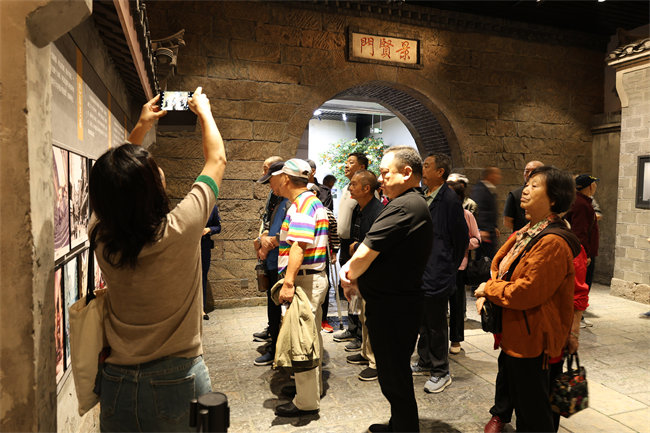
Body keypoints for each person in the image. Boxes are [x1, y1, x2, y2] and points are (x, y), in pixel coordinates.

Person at [89, 87, 226, 432]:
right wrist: (204, 111)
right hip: (178, 379)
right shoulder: (181, 228)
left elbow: (111, 182)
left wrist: (140, 128)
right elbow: (217, 160)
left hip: (117, 380)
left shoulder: (101, 238)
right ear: (153, 189)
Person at [475, 166, 580, 433]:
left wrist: (489, 289)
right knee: (527, 406)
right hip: (519, 332)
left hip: (535, 340)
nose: (525, 190)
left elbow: (526, 292)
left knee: (534, 415)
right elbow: (503, 270)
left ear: (554, 198)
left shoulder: (552, 241)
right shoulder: (530, 231)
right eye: (527, 184)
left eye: (535, 186)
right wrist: (492, 292)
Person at [340, 146, 433, 433]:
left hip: (395, 307)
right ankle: (400, 424)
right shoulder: (407, 203)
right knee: (394, 374)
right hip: (393, 304)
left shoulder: (406, 205)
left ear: (407, 173)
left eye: (384, 173)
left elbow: (364, 253)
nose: (380, 179)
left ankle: (404, 428)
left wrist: (348, 275)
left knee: (394, 375)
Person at [271, 158, 330, 417]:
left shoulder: (303, 205)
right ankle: (309, 391)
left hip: (304, 280)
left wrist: (288, 282)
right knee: (310, 336)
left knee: (302, 341)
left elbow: (299, 246)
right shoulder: (310, 202)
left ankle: (306, 402)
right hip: (310, 278)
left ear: (286, 178)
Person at [411, 154, 468, 394]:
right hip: (423, 269)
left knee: (436, 324)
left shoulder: (449, 199)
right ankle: (425, 360)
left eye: (426, 166)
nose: (422, 169)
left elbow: (461, 238)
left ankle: (441, 371)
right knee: (424, 320)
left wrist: (447, 266)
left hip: (438, 270)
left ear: (440, 172)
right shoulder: (425, 195)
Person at [344, 170, 385, 381]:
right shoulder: (359, 209)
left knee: (372, 318)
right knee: (362, 315)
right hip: (361, 271)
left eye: (353, 184)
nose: (349, 187)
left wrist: (356, 247)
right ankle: (365, 352)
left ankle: (376, 361)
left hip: (374, 273)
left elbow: (377, 244)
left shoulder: (378, 211)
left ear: (366, 188)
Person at [253, 161, 289, 366]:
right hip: (275, 263)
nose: (269, 186)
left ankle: (278, 350)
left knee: (279, 311)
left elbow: (289, 236)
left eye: (271, 181)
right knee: (274, 310)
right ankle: (275, 347)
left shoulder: (293, 203)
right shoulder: (281, 201)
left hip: (283, 266)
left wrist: (267, 243)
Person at [333, 152, 369, 351]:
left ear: (362, 167)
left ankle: (359, 332)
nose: (346, 165)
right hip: (345, 243)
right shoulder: (348, 187)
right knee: (348, 287)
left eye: (351, 162)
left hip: (356, 244)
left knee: (356, 288)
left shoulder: (364, 189)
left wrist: (357, 243)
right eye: (346, 162)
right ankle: (352, 326)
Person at [447, 180, 481, 355]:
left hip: (459, 266)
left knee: (457, 305)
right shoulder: (437, 213)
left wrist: (462, 243)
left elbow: (477, 239)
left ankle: (456, 338)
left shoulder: (467, 215)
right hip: (439, 266)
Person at [503, 160, 544, 233]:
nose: (529, 174)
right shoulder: (515, 194)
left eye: (534, 171)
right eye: (527, 171)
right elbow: (507, 221)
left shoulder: (549, 193)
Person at [470, 166, 502, 259]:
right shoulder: (480, 190)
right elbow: (479, 210)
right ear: (490, 176)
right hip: (484, 233)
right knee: (484, 260)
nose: (499, 177)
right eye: (497, 174)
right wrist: (482, 229)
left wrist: (494, 226)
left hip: (489, 231)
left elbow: (489, 210)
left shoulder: (486, 188)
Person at [201, 205, 221, 319]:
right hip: (189, 246)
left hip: (204, 246)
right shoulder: (191, 205)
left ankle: (201, 309)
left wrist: (208, 230)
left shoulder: (212, 207)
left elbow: (218, 227)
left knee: (202, 276)